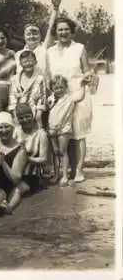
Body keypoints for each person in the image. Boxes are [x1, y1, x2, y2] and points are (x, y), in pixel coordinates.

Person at [46, 17, 95, 183]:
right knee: (62, 132)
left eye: (66, 29)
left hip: (78, 93)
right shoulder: (50, 51)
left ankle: (79, 170)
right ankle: (62, 171)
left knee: (79, 133)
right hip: (58, 96)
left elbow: (87, 70)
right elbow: (48, 75)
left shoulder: (79, 48)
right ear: (55, 32)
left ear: (71, 30)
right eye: (60, 30)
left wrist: (87, 79)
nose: (63, 32)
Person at [47, 75, 90, 185]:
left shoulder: (69, 98)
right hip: (52, 128)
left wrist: (83, 85)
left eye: (61, 87)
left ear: (66, 87)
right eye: (56, 88)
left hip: (64, 128)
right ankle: (57, 174)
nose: (59, 90)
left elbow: (80, 96)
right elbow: (48, 109)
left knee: (63, 151)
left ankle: (65, 175)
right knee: (55, 152)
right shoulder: (51, 99)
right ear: (52, 89)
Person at [16, 0, 62, 77]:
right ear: (24, 37)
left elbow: (51, 28)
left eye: (35, 33)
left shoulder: (44, 49)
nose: (32, 36)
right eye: (29, 34)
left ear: (41, 36)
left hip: (41, 87)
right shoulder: (17, 54)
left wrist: (55, 9)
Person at [13, 103, 50, 202]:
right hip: (15, 171)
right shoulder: (16, 131)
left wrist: (26, 159)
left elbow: (44, 159)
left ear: (32, 116)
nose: (25, 120)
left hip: (32, 173)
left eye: (27, 116)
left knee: (17, 190)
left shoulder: (41, 134)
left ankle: (8, 206)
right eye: (21, 118)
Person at [0, 112, 28, 213]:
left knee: (18, 189)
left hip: (12, 182)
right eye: (0, 127)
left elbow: (16, 178)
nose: (3, 130)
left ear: (12, 128)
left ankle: (9, 207)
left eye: (7, 126)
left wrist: (2, 160)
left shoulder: (20, 149)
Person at [8, 51, 48, 127]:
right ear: (20, 64)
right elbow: (12, 97)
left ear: (35, 62)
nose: (28, 64)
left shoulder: (40, 79)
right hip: (19, 112)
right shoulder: (14, 79)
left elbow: (42, 98)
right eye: (25, 62)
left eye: (30, 61)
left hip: (34, 111)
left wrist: (38, 115)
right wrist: (15, 115)